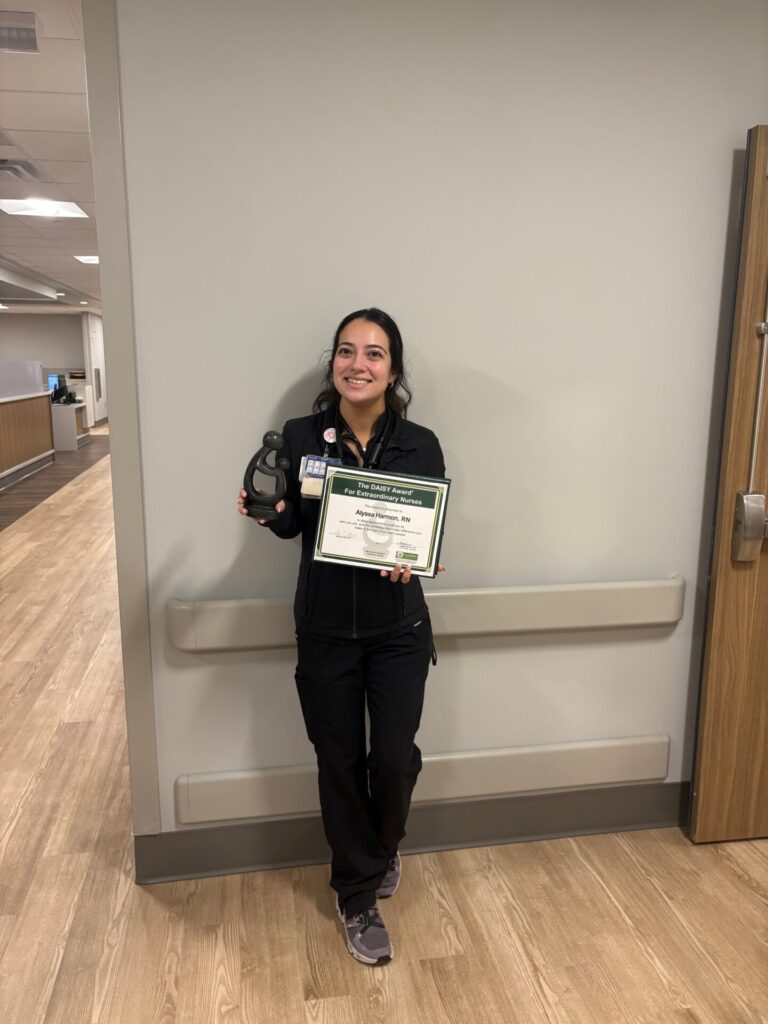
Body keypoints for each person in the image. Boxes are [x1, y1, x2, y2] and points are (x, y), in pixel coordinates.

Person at [237, 308, 445, 966]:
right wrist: (273, 517)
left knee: (391, 758)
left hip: (398, 631)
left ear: (393, 370)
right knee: (338, 764)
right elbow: (296, 522)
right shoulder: (303, 436)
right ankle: (357, 895)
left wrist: (411, 556)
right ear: (334, 363)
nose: (359, 364)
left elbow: (425, 531)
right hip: (325, 632)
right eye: (347, 351)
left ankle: (382, 846)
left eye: (374, 354)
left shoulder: (421, 444)